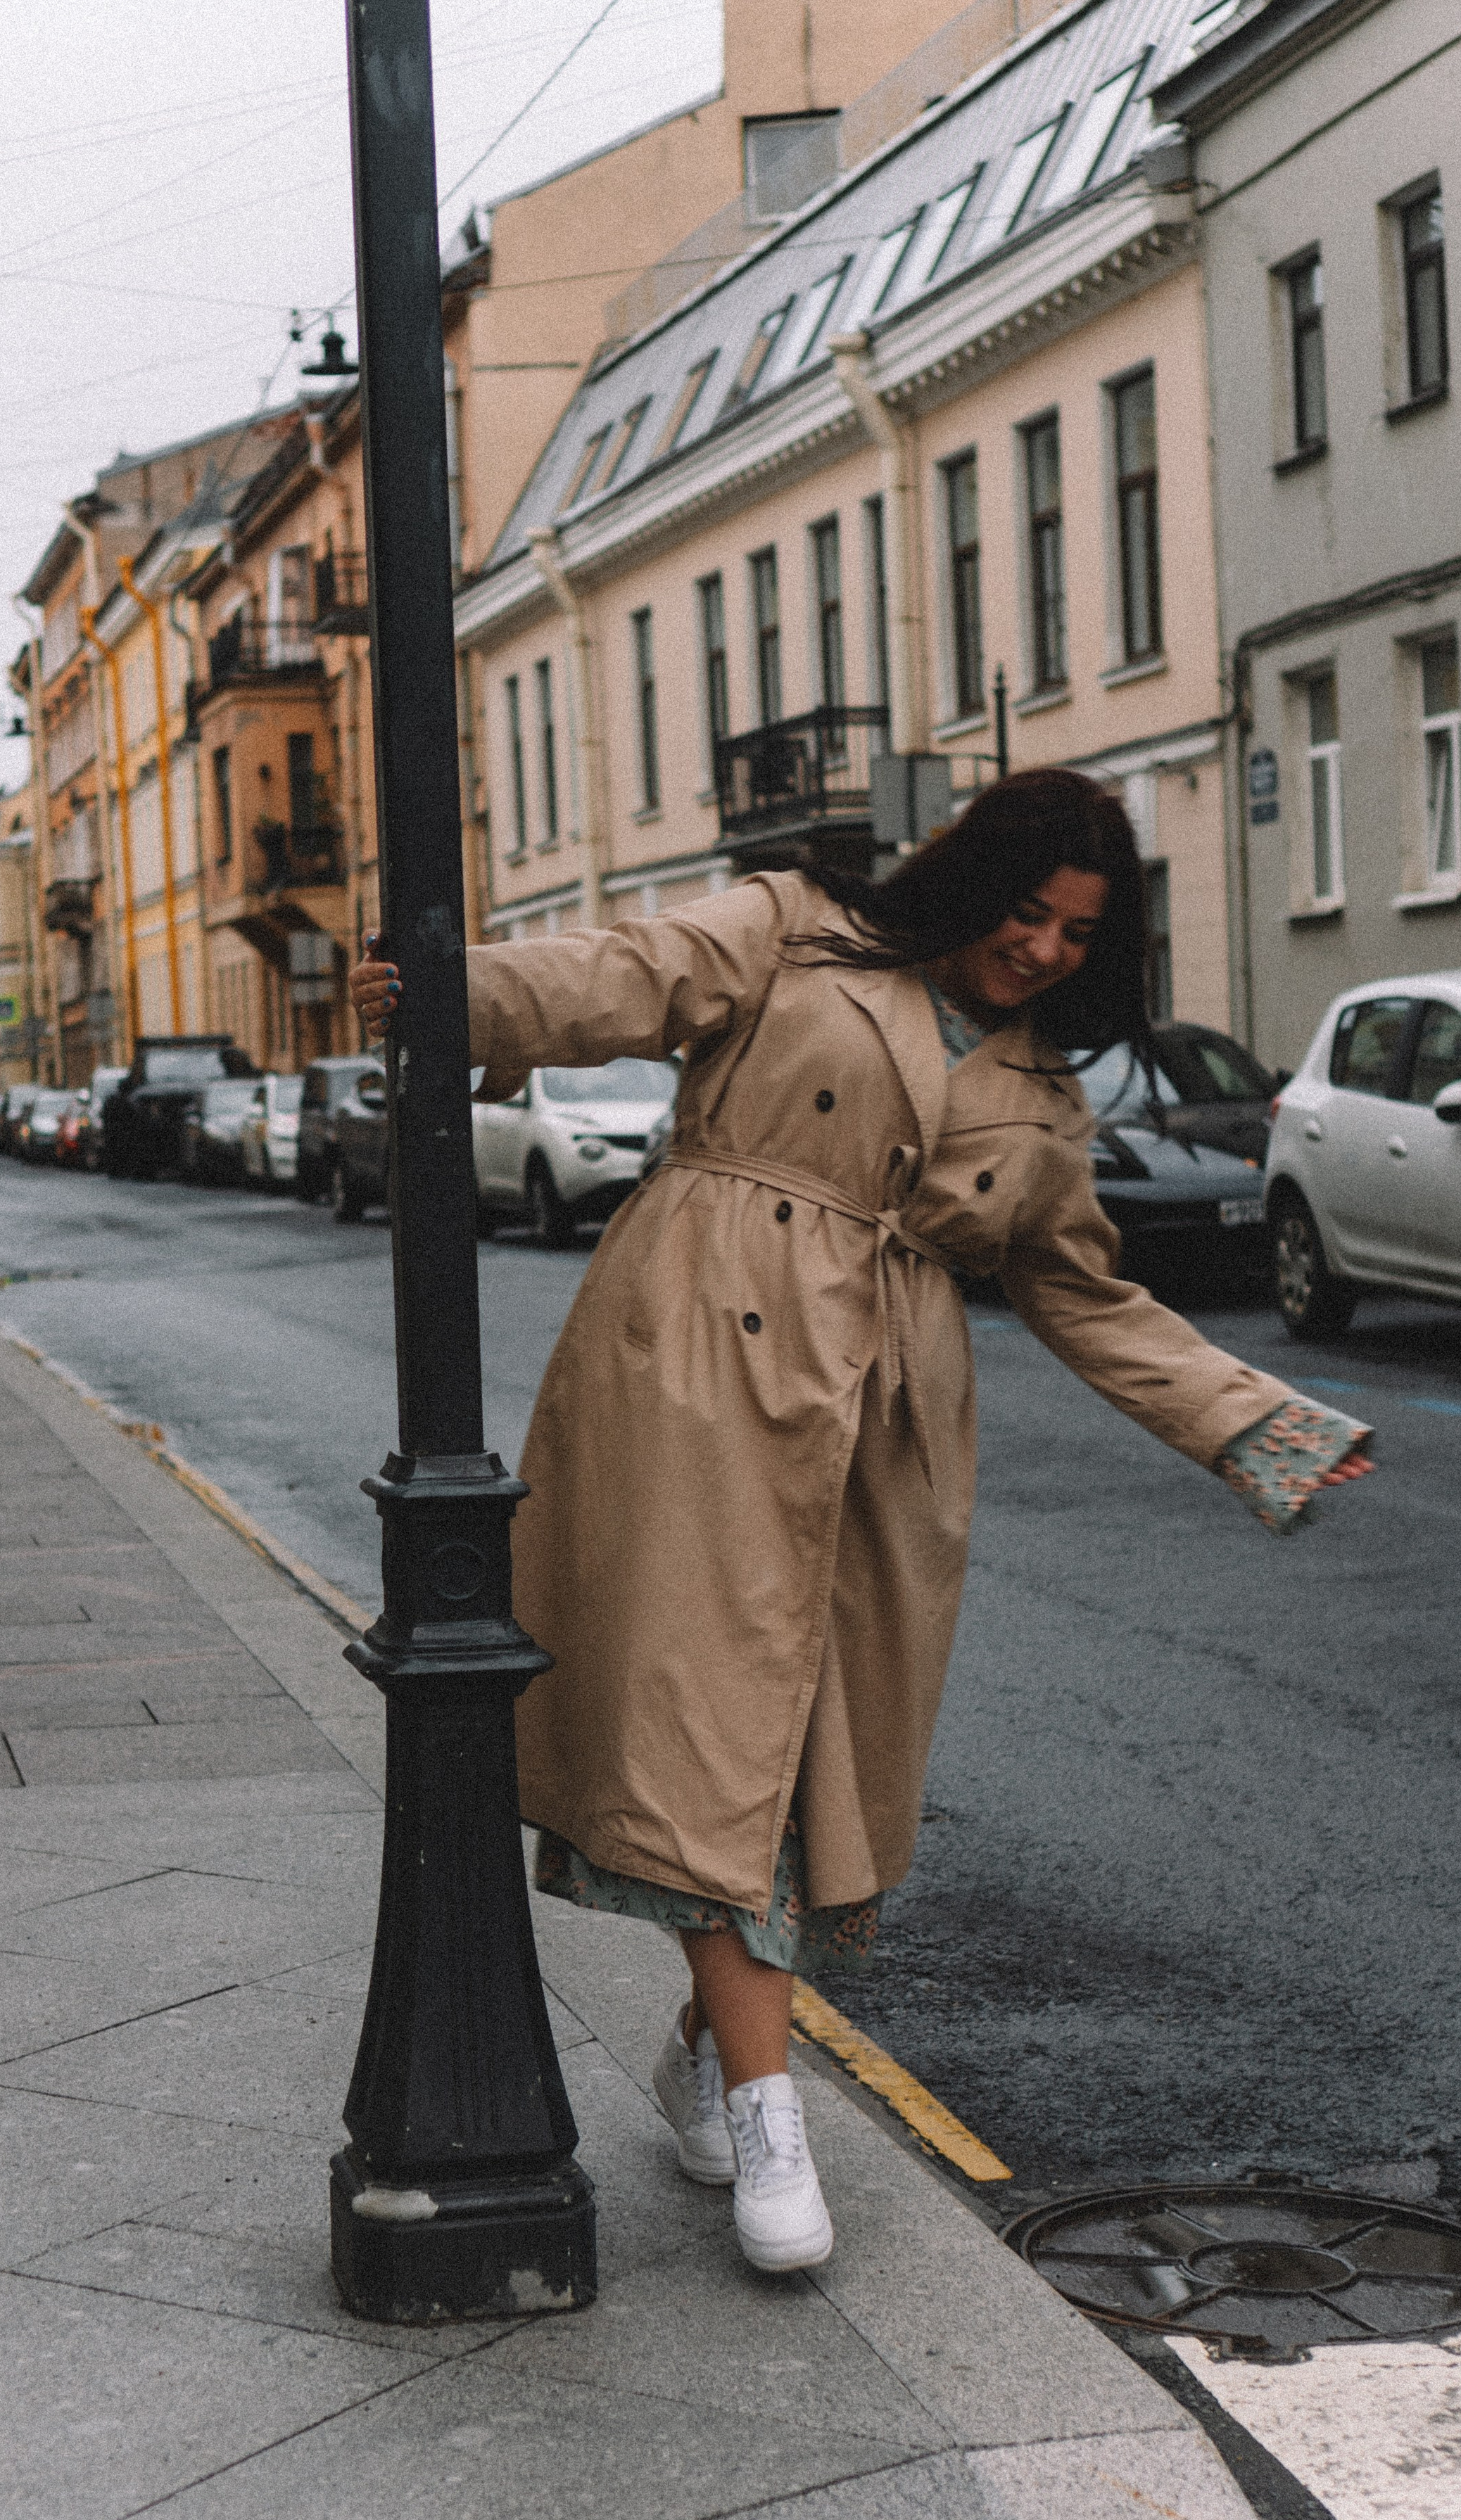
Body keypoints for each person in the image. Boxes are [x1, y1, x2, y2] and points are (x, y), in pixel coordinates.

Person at [350, 769, 1372, 2277]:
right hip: (699, 1363)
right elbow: (623, 976)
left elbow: (1080, 1292)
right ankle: (770, 2113)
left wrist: (1248, 1422)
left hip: (882, 1424)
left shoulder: (1039, 1090)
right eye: (1023, 911)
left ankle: (709, 2048)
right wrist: (458, 996)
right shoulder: (796, 932)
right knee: (716, 1735)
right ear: (969, 884)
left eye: (1076, 931)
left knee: (820, 1773)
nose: (1038, 950)